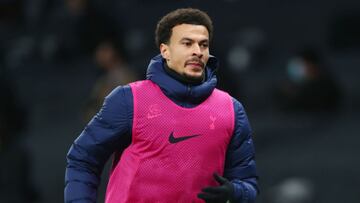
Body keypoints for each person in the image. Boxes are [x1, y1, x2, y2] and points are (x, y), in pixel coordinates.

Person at [65, 8, 258, 203]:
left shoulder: (230, 110)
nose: (197, 52)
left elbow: (248, 183)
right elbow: (83, 159)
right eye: (187, 43)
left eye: (203, 45)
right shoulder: (130, 100)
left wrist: (235, 192)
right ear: (165, 50)